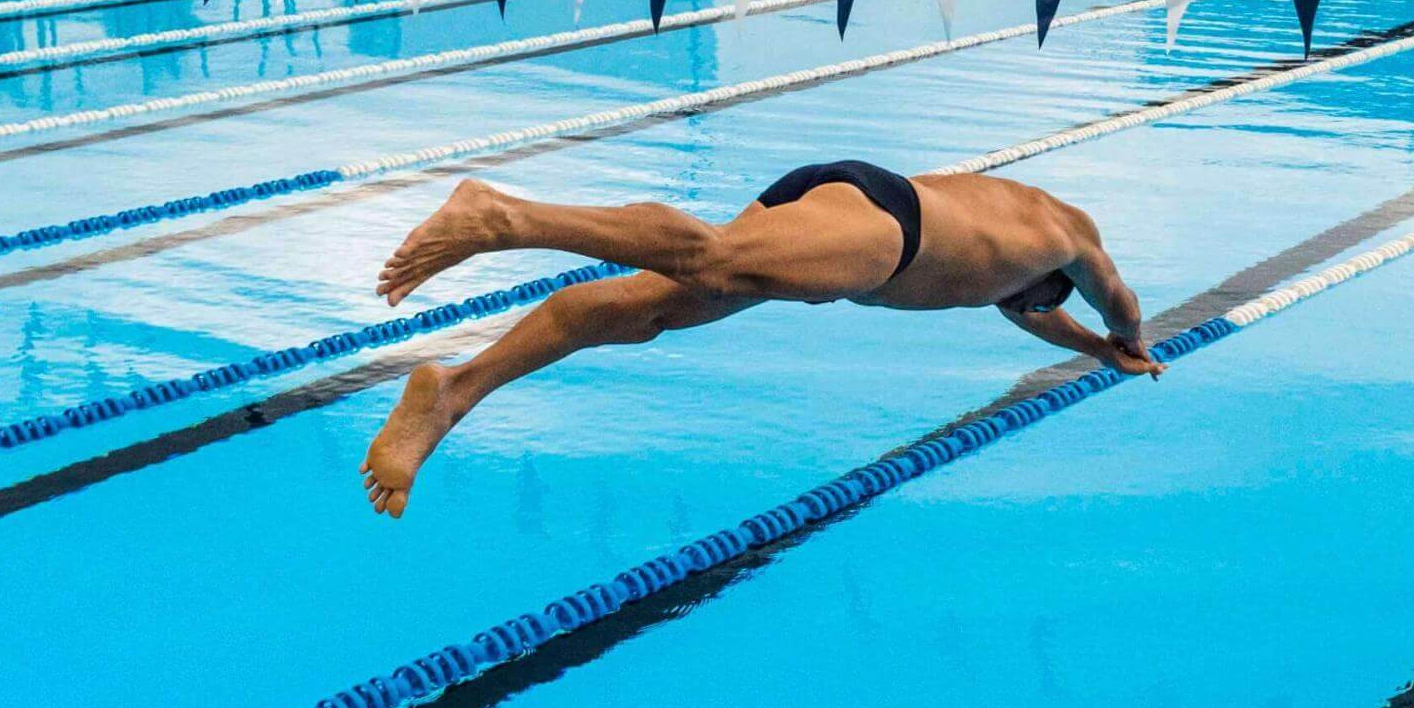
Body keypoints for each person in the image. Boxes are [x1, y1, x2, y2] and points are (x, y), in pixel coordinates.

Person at [360, 161, 1163, 518]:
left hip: (860, 197)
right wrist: (1128, 338)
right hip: (889, 236)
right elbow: (1120, 299)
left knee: (648, 310)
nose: (1026, 311)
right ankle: (504, 216)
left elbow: (1039, 310)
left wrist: (1093, 350)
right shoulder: (1070, 240)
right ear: (1045, 283)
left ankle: (454, 393)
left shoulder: (1020, 234)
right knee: (711, 256)